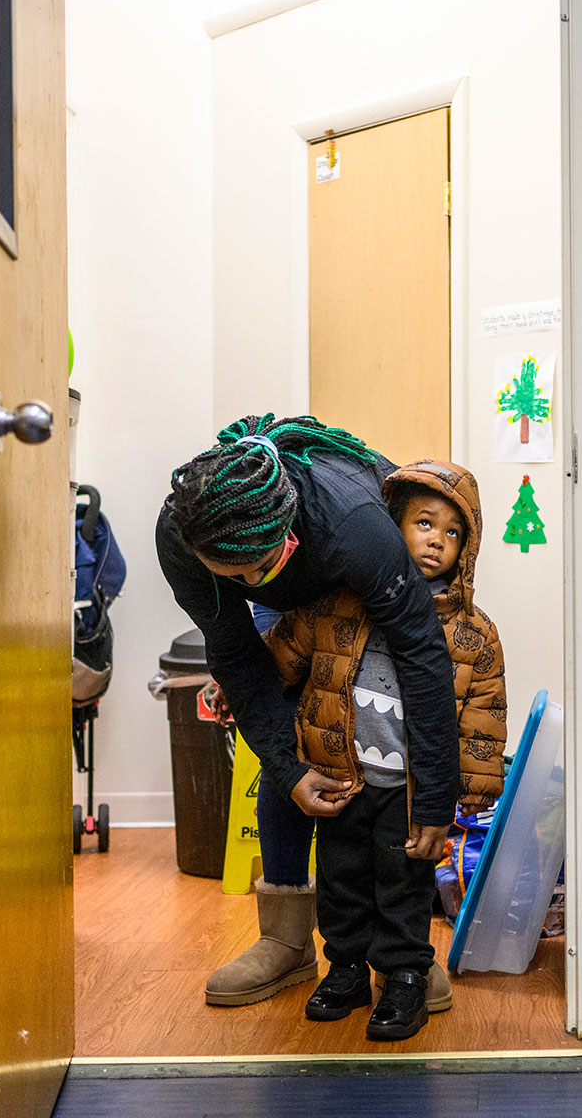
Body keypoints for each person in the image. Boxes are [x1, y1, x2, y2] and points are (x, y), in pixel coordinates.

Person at [156, 415, 461, 1010]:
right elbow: (238, 658)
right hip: (290, 590)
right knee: (291, 734)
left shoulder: (357, 526)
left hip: (359, 573)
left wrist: (435, 797)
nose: (245, 581)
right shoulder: (184, 536)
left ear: (286, 529)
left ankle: (402, 954)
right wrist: (290, 768)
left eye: (254, 567)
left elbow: (425, 655)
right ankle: (287, 940)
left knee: (385, 733)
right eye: (232, 574)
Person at [264, 460, 506, 1040]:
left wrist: (461, 797)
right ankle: (344, 967)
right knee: (342, 877)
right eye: (424, 523)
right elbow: (291, 650)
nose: (436, 541)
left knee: (404, 886)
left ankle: (402, 977)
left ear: (466, 550)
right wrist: (243, 681)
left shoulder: (474, 633)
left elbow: (483, 718)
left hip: (410, 793)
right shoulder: (340, 600)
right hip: (341, 778)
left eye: (453, 534)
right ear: (392, 526)